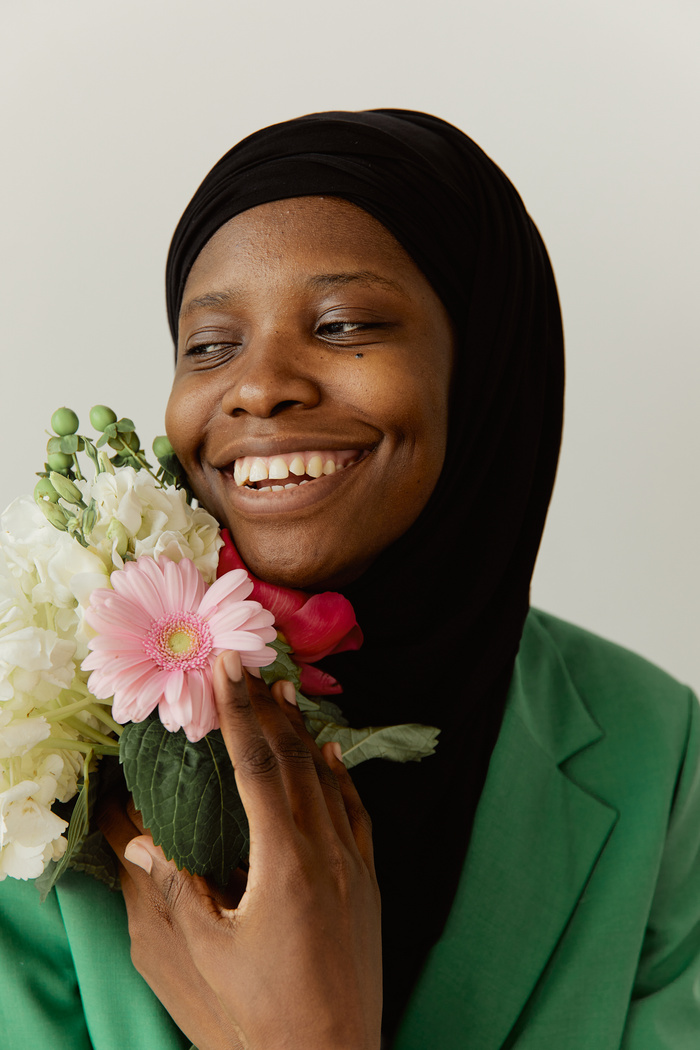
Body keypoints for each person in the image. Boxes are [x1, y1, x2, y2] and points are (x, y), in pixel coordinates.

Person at [1, 109, 699, 1049]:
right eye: (209, 345)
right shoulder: (39, 744)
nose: (258, 386)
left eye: (343, 325)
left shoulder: (660, 751)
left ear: (483, 368)